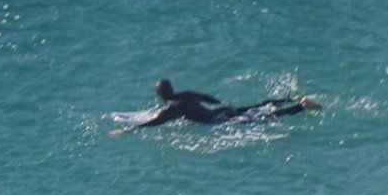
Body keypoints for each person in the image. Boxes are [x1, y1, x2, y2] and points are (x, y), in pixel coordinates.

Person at [114, 78, 319, 133]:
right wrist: (221, 103)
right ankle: (291, 99)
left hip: (217, 120)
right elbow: (204, 96)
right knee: (255, 106)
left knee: (261, 120)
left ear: (160, 95)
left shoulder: (171, 109)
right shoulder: (183, 94)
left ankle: (302, 107)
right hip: (220, 110)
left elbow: (154, 123)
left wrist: (128, 130)